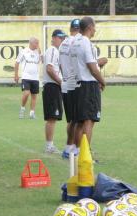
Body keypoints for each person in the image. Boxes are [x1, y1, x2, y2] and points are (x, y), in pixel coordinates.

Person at [70, 17, 106, 149]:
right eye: (94, 27)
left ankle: (78, 153)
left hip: (77, 84)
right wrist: (102, 81)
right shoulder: (86, 42)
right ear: (90, 27)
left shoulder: (74, 42)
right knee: (89, 121)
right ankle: (86, 155)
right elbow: (92, 67)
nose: (95, 29)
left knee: (80, 122)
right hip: (88, 85)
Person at [42, 30, 66, 154]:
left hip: (54, 87)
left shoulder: (57, 52)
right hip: (52, 86)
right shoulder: (52, 50)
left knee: (53, 117)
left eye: (63, 38)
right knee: (52, 117)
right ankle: (49, 146)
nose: (62, 40)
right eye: (60, 38)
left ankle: (50, 145)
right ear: (54, 38)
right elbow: (50, 69)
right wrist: (61, 83)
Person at [58, 19, 80, 158]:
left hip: (65, 84)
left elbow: (60, 65)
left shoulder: (62, 44)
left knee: (71, 120)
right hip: (75, 84)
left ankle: (68, 148)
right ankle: (77, 150)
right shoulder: (76, 42)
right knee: (79, 120)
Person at [14, 37, 41, 119]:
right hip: (26, 77)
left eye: (38, 43)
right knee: (26, 93)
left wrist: (40, 53)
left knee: (34, 96)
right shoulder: (23, 51)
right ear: (31, 43)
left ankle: (32, 113)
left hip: (35, 77)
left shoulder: (38, 52)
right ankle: (22, 109)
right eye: (36, 43)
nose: (37, 45)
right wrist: (16, 75)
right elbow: (17, 63)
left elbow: (41, 61)